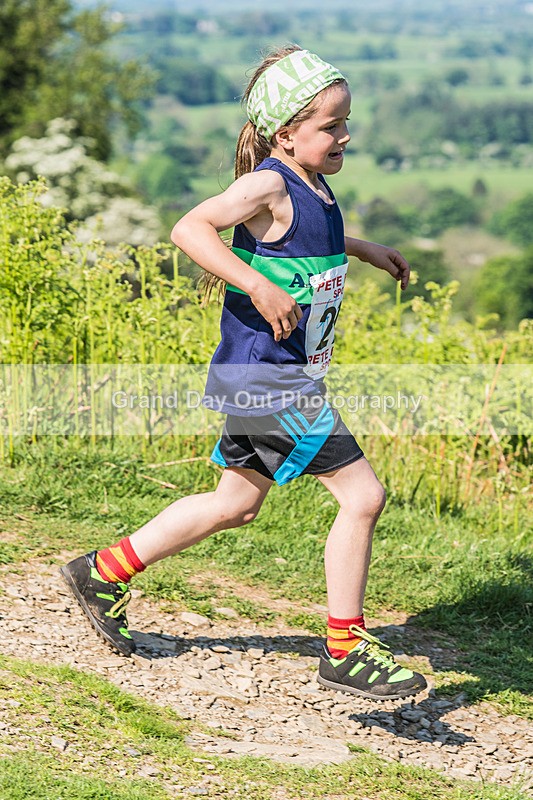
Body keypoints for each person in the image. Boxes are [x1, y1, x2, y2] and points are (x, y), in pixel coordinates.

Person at [61, 45, 426, 700]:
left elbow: (301, 238)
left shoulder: (311, 185)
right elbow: (190, 228)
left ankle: (101, 571)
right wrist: (255, 284)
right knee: (362, 495)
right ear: (285, 133)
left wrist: (362, 248)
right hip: (267, 379)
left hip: (266, 377)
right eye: (329, 126)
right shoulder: (268, 181)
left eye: (345, 123)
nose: (344, 136)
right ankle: (343, 647)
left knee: (234, 504)